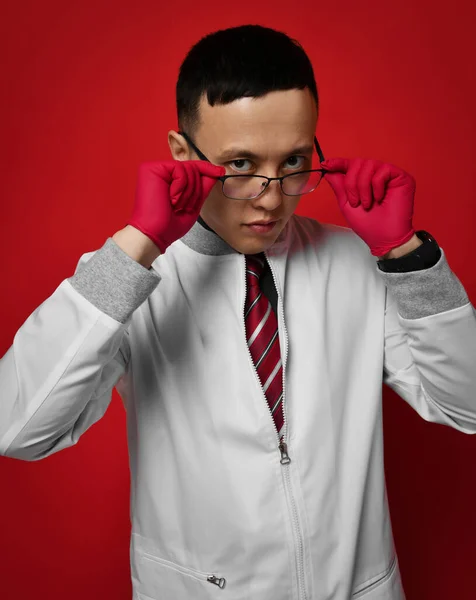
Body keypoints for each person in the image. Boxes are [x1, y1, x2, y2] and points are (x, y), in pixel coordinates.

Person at [0, 23, 474, 600]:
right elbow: (18, 428)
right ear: (182, 154)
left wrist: (406, 258)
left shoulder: (356, 264)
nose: (272, 196)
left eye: (295, 160)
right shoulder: (128, 281)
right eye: (241, 164)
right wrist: (137, 246)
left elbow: (468, 407)